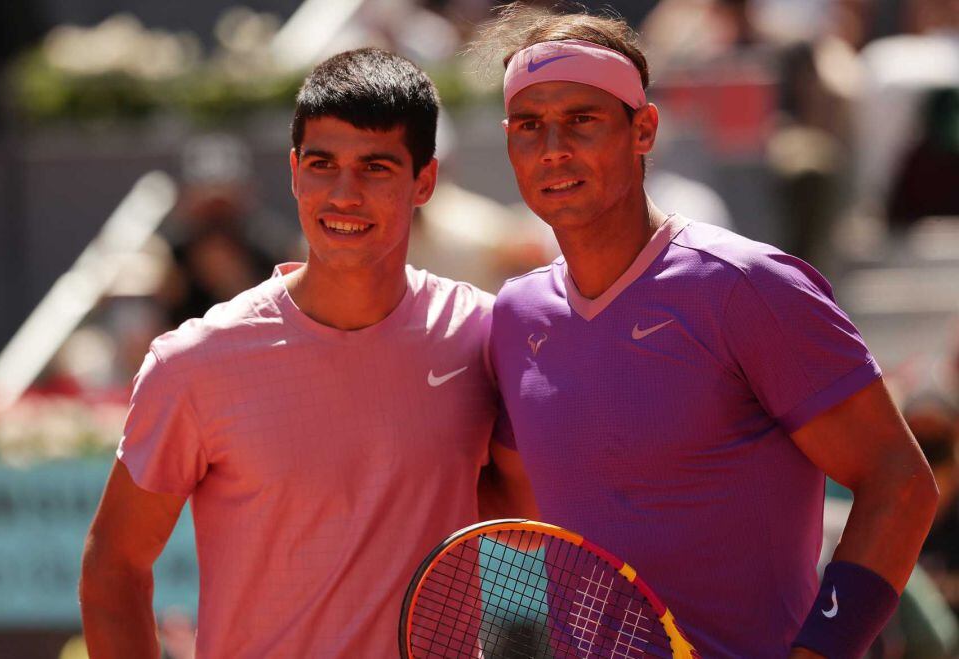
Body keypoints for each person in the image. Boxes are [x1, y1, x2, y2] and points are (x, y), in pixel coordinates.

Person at [476, 4, 939, 657]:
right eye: (530, 126)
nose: (553, 149)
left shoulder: (748, 286)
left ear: (644, 130)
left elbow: (901, 479)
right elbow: (517, 509)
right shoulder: (516, 315)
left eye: (581, 120)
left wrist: (823, 648)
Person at [79, 47, 535, 658]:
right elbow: (113, 568)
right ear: (294, 172)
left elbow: (524, 520)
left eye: (375, 167)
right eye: (322, 164)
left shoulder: (486, 335)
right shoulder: (195, 362)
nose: (343, 193)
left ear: (423, 180)